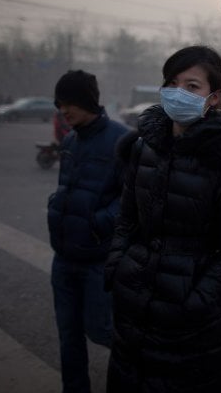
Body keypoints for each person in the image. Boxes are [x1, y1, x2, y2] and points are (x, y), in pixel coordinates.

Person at [104, 45, 221, 393]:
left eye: (191, 86)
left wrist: (195, 304)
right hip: (133, 315)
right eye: (172, 83)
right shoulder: (143, 147)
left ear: (213, 98)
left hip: (193, 331)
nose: (177, 93)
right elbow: (126, 219)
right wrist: (117, 266)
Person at [46, 70, 129, 393]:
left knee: (101, 330)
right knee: (68, 336)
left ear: (87, 101)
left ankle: (138, 377)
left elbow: (133, 197)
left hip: (98, 261)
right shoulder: (69, 140)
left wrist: (100, 222)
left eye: (69, 103)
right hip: (63, 257)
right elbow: (66, 187)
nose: (63, 111)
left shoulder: (121, 139)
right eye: (59, 104)